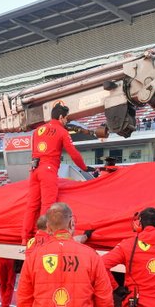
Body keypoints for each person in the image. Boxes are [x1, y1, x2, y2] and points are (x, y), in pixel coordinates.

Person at [21, 104, 94, 243]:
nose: (67, 121)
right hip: (48, 170)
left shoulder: (37, 131)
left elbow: (34, 152)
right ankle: (41, 237)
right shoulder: (61, 131)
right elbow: (74, 154)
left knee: (31, 205)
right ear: (61, 117)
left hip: (35, 169)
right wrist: (84, 168)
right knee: (47, 205)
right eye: (66, 118)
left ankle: (25, 237)